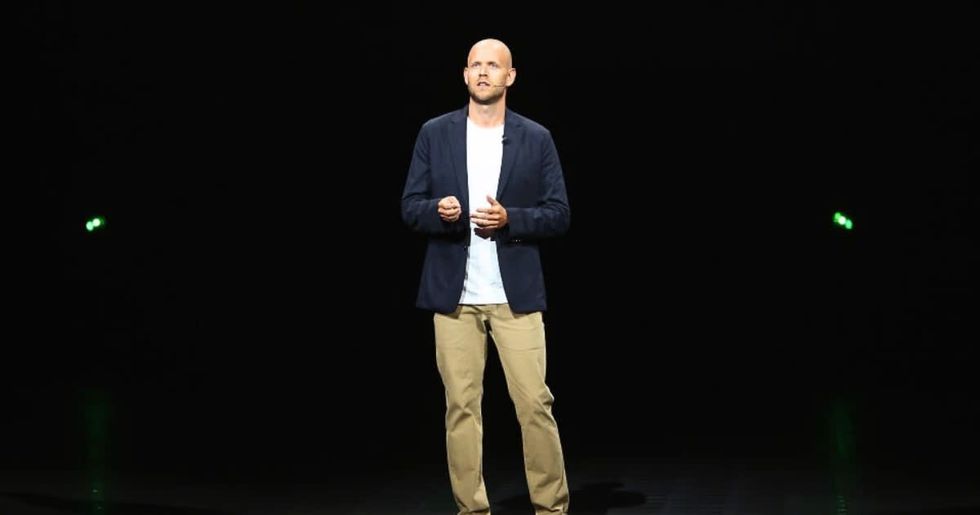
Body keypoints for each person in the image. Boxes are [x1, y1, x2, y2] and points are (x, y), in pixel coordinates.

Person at [401, 38, 571, 515]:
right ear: (464, 74)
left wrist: (511, 219)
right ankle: (471, 510)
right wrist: (437, 211)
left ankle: (552, 509)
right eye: (475, 64)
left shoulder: (535, 137)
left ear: (509, 77)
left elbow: (559, 213)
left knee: (534, 405)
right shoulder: (435, 133)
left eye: (493, 65)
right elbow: (410, 206)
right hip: (454, 297)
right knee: (461, 409)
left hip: (515, 295)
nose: (482, 72)